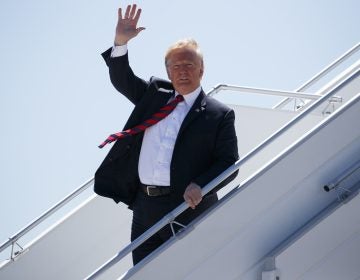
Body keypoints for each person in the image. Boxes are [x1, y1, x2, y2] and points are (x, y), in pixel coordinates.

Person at [94, 4, 239, 265]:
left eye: (189, 64)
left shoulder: (220, 114)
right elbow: (122, 79)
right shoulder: (154, 97)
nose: (182, 71)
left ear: (201, 69)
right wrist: (120, 42)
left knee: (187, 271)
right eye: (176, 66)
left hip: (189, 208)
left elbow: (229, 163)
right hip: (144, 207)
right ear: (168, 71)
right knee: (143, 272)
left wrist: (201, 185)